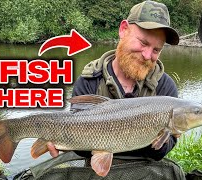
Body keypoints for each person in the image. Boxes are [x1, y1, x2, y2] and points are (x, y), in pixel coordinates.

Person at [47, 0, 180, 161]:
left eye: (156, 50)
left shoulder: (165, 87)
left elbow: (162, 152)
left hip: (144, 169)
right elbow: (82, 150)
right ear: (124, 30)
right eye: (143, 42)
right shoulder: (89, 80)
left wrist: (161, 139)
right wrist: (66, 140)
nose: (147, 55)